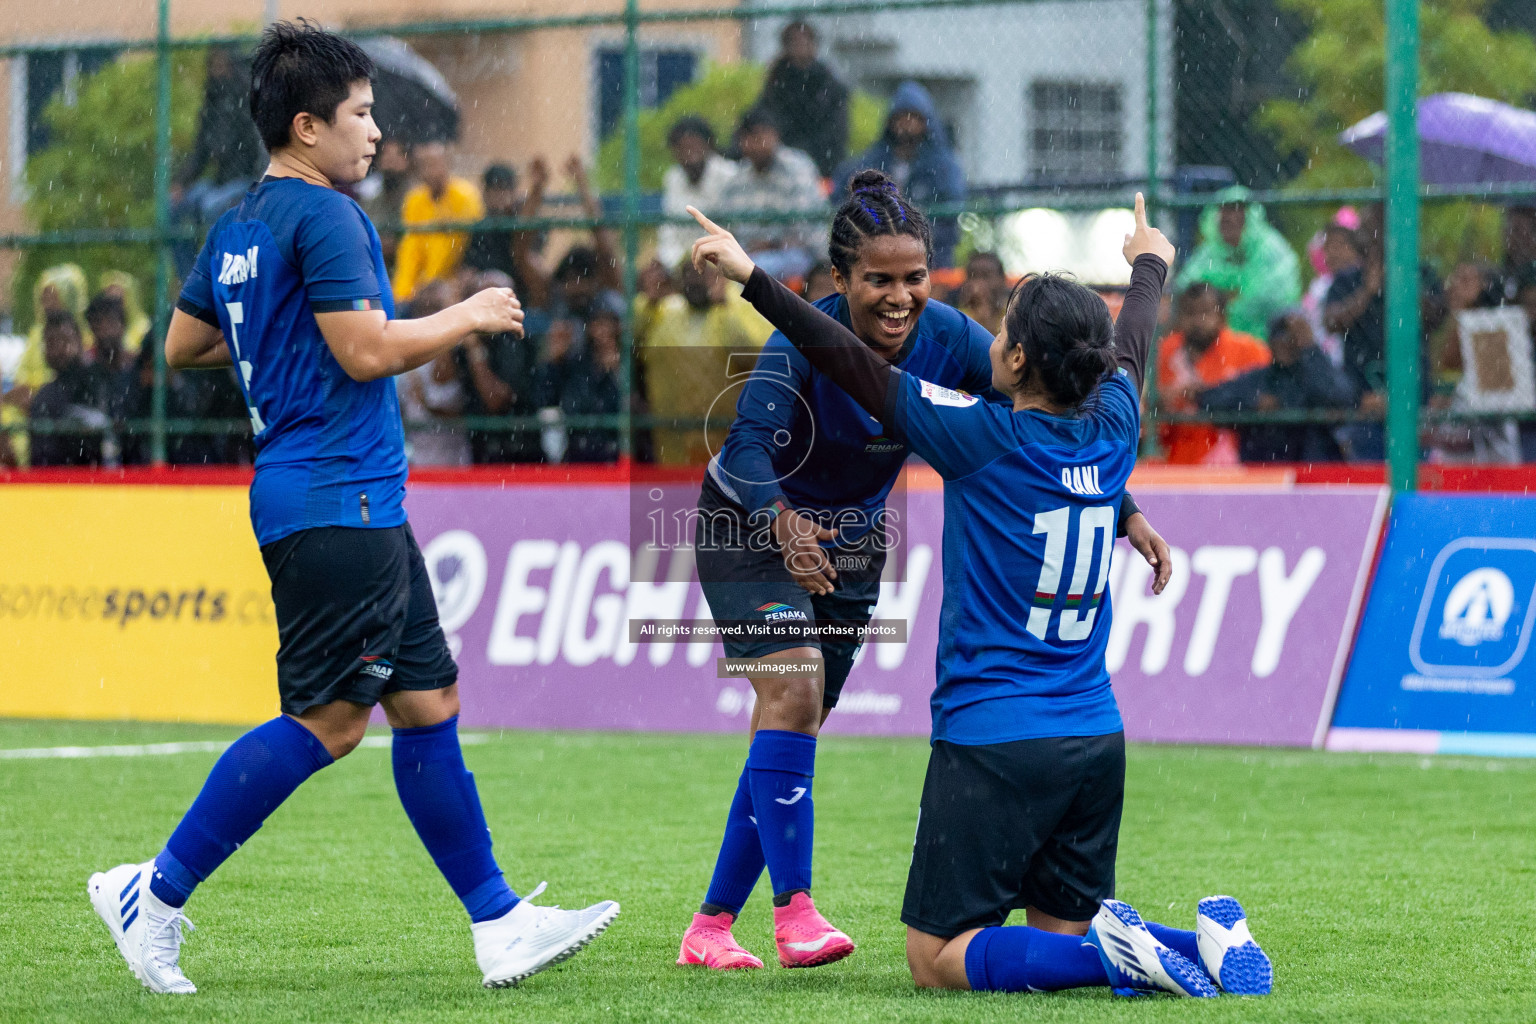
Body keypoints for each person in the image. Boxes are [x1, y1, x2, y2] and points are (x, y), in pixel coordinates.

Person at [86, 20, 618, 996]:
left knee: (427, 703)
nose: (376, 131)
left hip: (337, 493)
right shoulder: (329, 218)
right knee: (330, 723)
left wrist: (272, 343)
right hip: (342, 497)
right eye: (361, 114)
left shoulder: (242, 222)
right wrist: (470, 311)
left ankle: (498, 921)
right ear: (306, 125)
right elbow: (366, 351)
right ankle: (151, 894)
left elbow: (181, 344)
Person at [691, 193, 1272, 999]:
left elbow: (842, 356)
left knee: (936, 961)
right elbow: (1132, 338)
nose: (985, 337)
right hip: (1096, 740)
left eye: (1002, 331)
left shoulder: (976, 438)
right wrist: (1152, 262)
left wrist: (751, 276)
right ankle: (1200, 942)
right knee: (1054, 930)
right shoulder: (1113, 427)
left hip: (993, 739)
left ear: (1023, 361)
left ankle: (1116, 954)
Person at [640, 259, 772, 465]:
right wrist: (649, 302)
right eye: (688, 273)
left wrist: (724, 305)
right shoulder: (666, 311)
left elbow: (753, 356)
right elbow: (632, 340)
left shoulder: (741, 306)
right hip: (673, 445)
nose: (694, 279)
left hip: (728, 443)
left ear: (721, 276)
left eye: (702, 273)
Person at [1199, 310, 1356, 463]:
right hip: (1265, 472)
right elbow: (1210, 399)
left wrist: (1310, 348)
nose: (1284, 343)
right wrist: (1252, 403)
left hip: (1312, 469)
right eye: (1279, 336)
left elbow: (1344, 398)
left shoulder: (1315, 376)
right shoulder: (1258, 379)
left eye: (1291, 338)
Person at [837, 82, 966, 266]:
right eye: (901, 117)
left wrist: (916, 239)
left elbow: (950, 212)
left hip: (932, 253)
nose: (907, 124)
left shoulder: (943, 165)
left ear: (925, 122)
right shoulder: (875, 159)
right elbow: (844, 187)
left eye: (914, 117)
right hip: (878, 251)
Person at [1156, 282, 1272, 464]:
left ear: (1222, 315)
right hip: (1177, 462)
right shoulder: (1164, 352)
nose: (1197, 320)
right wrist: (1165, 400)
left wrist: (1209, 396)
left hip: (1239, 461)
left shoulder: (1251, 351)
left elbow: (1266, 404)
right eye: (1189, 312)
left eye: (1205, 312)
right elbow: (1149, 412)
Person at [1175, 187, 1301, 340]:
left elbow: (1276, 297)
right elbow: (1186, 287)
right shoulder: (1210, 250)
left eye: (1237, 211)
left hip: (1266, 341)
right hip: (1214, 344)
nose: (1230, 217)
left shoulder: (1271, 249)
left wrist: (1224, 301)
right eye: (1224, 211)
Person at [716, 108, 826, 281]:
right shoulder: (738, 179)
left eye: (760, 137)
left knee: (751, 272)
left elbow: (807, 230)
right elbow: (726, 228)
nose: (755, 144)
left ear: (775, 135)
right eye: (748, 138)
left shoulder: (797, 167)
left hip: (794, 253)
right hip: (748, 253)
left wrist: (771, 244)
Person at [392, 140, 486, 302]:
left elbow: (456, 247)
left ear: (447, 164)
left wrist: (429, 286)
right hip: (420, 288)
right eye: (424, 165)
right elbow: (409, 248)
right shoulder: (414, 199)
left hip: (454, 282)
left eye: (433, 164)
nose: (429, 171)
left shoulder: (465, 196)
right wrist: (402, 293)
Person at [757, 21, 849, 177]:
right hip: (781, 162)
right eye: (795, 41)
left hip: (822, 163)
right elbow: (766, 119)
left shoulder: (828, 83)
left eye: (806, 40)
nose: (801, 46)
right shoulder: (776, 82)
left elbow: (836, 130)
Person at [397, 281, 472, 466]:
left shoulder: (461, 351)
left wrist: (428, 405)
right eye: (423, 308)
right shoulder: (405, 354)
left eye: (437, 308)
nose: (428, 314)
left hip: (457, 461)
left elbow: (447, 393)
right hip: (420, 460)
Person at [27, 311, 110, 467]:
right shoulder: (45, 395)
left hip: (97, 482)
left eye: (64, 341)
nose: (58, 350)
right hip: (58, 483)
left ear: (80, 342)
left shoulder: (98, 380)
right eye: (51, 343)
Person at [659, 118, 738, 270]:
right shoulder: (673, 178)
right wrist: (675, 263)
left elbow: (734, 231)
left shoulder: (729, 175)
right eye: (683, 148)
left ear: (708, 146)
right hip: (682, 263)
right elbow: (668, 234)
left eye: (694, 146)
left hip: (721, 261)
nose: (689, 153)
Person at [354, 137, 413, 267]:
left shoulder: (416, 197)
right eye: (386, 158)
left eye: (394, 158)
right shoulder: (371, 199)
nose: (389, 164)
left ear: (406, 161)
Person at [955, 250, 1010, 335]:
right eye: (973, 276)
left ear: (1002, 280)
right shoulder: (959, 319)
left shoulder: (1013, 315)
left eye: (986, 276)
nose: (979, 284)